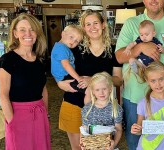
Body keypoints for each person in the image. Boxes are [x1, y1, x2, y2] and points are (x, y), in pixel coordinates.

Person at [115, 0, 164, 149]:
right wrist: (141, 47)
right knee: (137, 143)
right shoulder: (131, 23)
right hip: (136, 100)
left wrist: (155, 77)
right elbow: (119, 56)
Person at [57, 9, 122, 150]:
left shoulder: (113, 51)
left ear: (103, 24)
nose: (92, 27)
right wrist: (59, 83)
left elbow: (118, 80)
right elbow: (60, 70)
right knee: (79, 148)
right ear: (84, 28)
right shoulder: (75, 49)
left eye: (96, 23)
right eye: (88, 24)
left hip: (102, 108)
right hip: (73, 104)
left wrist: (93, 80)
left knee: (100, 146)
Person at [0, 13, 50, 150]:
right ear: (15, 33)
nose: (28, 33)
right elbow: (3, 95)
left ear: (37, 33)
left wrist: (45, 112)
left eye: (32, 29)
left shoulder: (40, 60)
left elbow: (43, 89)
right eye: (22, 29)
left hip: (39, 114)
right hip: (17, 116)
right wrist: (11, 121)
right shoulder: (7, 60)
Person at [81, 72, 123, 149]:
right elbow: (84, 129)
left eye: (104, 89)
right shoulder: (87, 109)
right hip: (91, 146)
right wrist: (83, 143)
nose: (101, 92)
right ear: (93, 91)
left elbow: (119, 129)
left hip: (108, 147)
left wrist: (114, 144)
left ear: (110, 88)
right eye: (97, 90)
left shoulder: (116, 108)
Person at [51, 24, 85, 93]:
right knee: (87, 89)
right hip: (65, 76)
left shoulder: (63, 47)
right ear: (63, 34)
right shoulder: (61, 48)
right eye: (71, 37)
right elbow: (66, 65)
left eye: (76, 41)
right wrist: (78, 78)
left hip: (64, 76)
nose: (73, 42)